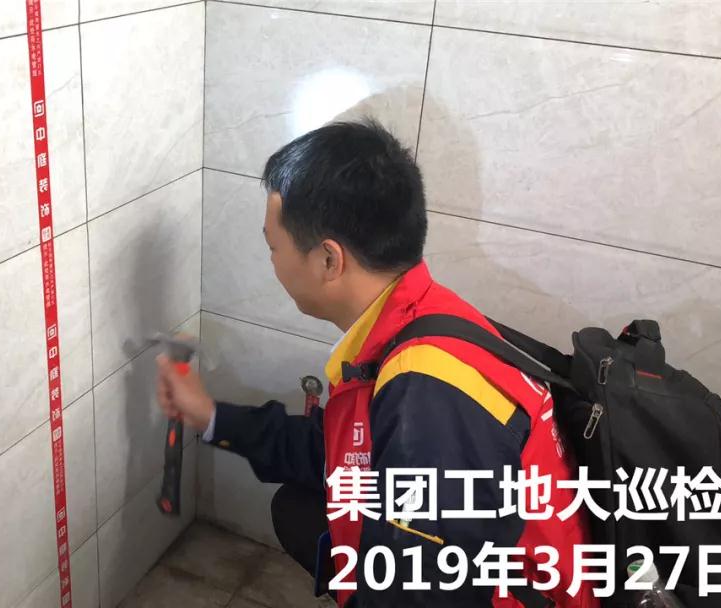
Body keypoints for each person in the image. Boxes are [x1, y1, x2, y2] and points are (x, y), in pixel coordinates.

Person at [154, 120, 593, 607]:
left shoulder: (428, 400)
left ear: (329, 260)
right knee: (298, 508)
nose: (272, 261)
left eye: (273, 247)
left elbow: (430, 597)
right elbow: (338, 453)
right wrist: (211, 416)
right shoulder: (422, 314)